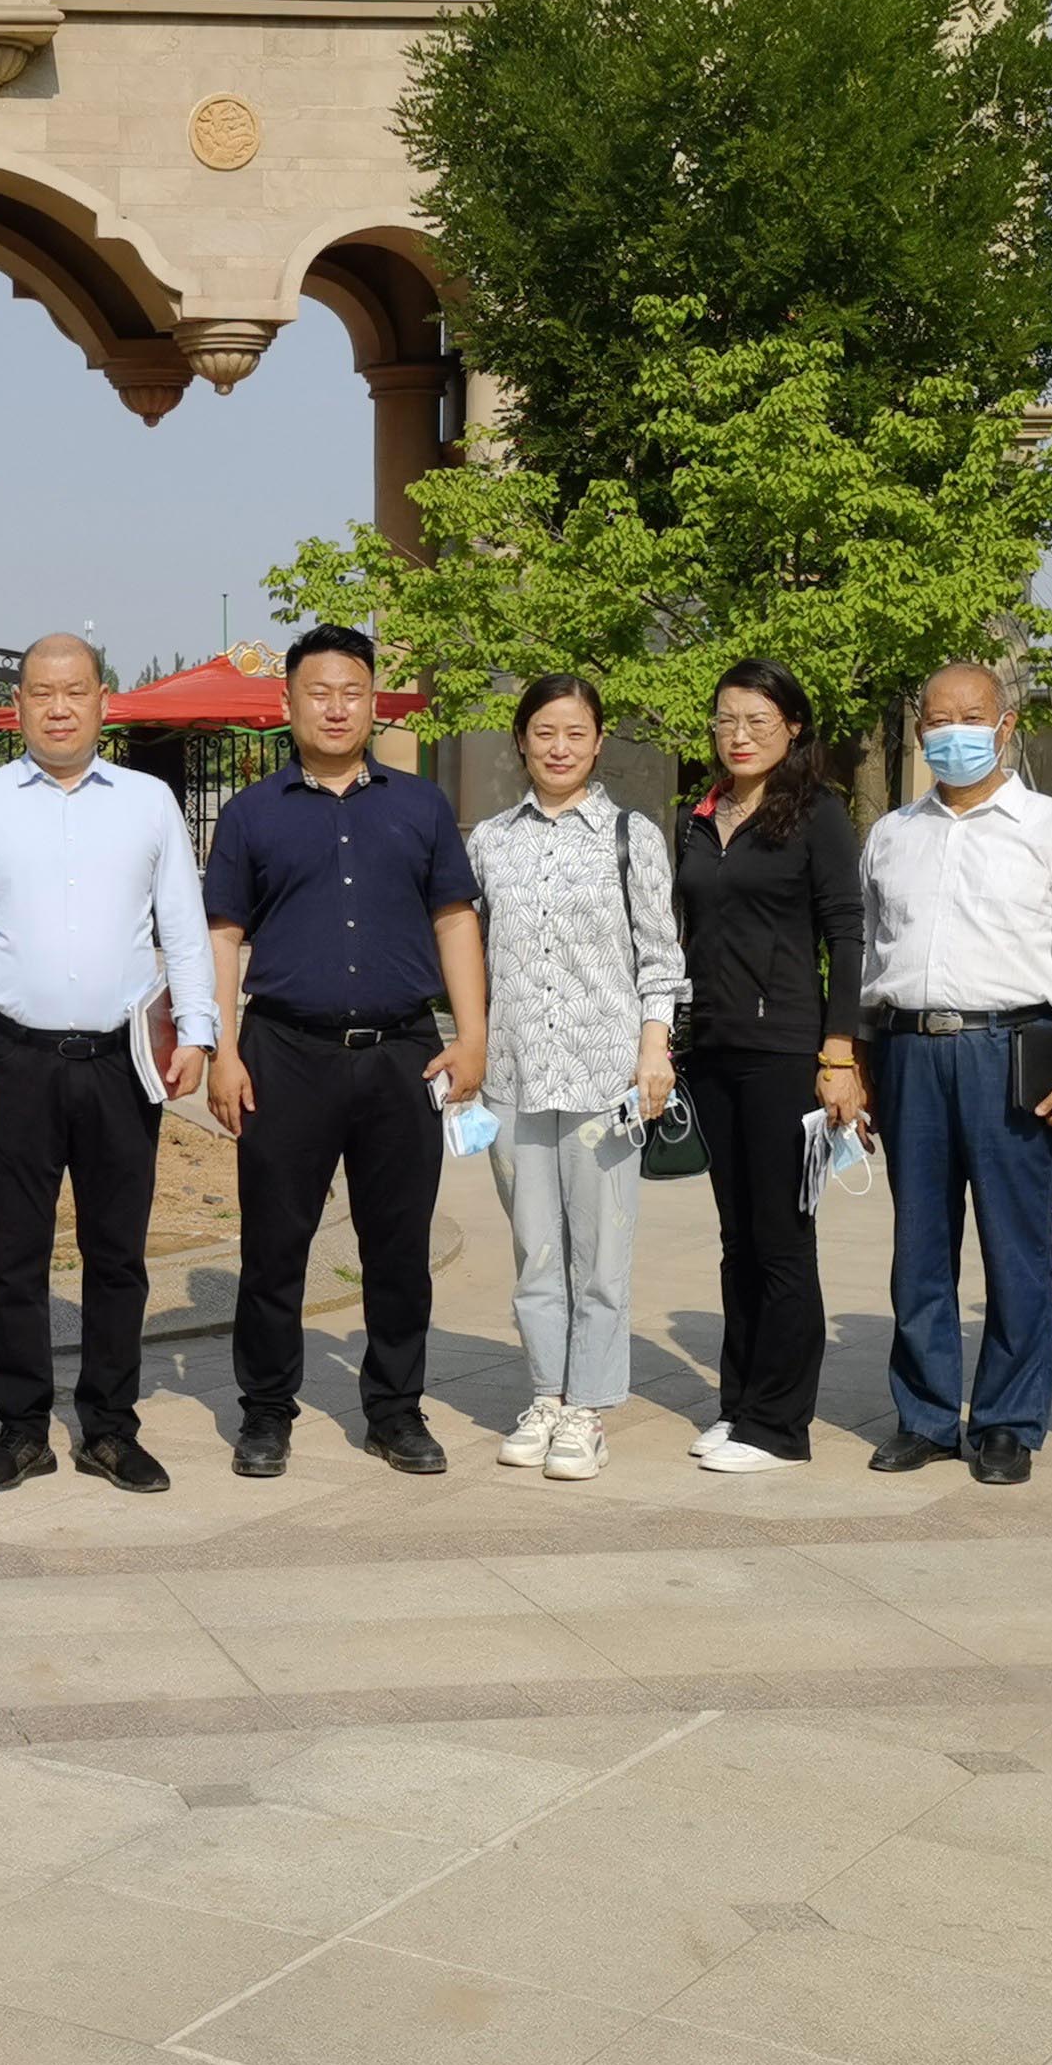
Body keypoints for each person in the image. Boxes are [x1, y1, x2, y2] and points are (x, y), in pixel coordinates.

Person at [0, 633, 212, 1495]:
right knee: (14, 1255)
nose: (58, 707)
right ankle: (21, 1429)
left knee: (117, 1252)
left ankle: (109, 1428)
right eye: (42, 692)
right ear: (18, 704)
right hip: (13, 1056)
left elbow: (183, 925)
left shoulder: (149, 802)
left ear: (102, 701)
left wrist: (196, 1030)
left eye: (75, 691)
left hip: (122, 1060)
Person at [204, 624, 488, 1480]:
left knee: (398, 1245)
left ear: (372, 702)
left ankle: (396, 1410)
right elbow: (222, 937)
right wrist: (222, 1049)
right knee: (274, 1245)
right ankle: (266, 1411)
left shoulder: (421, 806)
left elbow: (455, 921)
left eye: (352, 692)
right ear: (287, 702)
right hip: (284, 1052)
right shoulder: (251, 813)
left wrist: (472, 1036)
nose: (335, 707)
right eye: (318, 692)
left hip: (404, 1052)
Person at [859, 659, 1052, 1486]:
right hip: (910, 1050)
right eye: (937, 720)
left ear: (1005, 725)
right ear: (919, 731)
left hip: (1013, 1051)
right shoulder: (892, 835)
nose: (953, 733)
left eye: (970, 717)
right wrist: (860, 1057)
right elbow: (873, 954)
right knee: (918, 1246)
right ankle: (927, 1414)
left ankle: (1008, 1420)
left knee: (1017, 1247)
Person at [465, 674, 682, 1483]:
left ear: (598, 741)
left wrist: (654, 1048)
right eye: (544, 732)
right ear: (522, 740)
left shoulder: (631, 836)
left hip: (605, 1084)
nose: (559, 748)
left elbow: (661, 959)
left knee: (600, 1254)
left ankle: (587, 1408)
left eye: (576, 733)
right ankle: (545, 1395)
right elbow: (468, 954)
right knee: (534, 1251)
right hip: (515, 1078)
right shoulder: (490, 841)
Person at [670, 660, 865, 1474]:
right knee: (736, 1237)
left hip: (786, 1051)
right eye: (726, 718)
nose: (739, 734)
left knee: (783, 1238)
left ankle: (781, 1426)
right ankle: (740, 1404)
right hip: (711, 1050)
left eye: (757, 719)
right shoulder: (697, 814)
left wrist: (839, 1052)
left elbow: (846, 933)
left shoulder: (816, 813)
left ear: (793, 725)